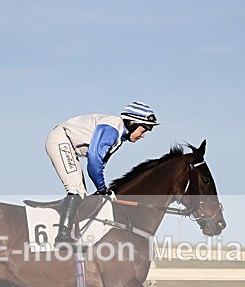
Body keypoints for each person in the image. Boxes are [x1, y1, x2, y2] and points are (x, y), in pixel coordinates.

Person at [45, 101, 160, 244]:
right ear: (132, 123)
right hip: (61, 139)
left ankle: (70, 233)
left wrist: (101, 190)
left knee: (81, 193)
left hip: (68, 143)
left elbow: (100, 165)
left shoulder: (118, 137)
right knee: (75, 190)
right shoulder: (111, 130)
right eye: (144, 130)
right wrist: (102, 189)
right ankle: (62, 237)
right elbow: (93, 164)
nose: (143, 135)